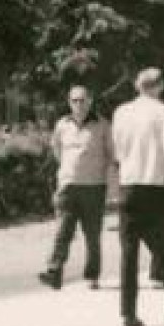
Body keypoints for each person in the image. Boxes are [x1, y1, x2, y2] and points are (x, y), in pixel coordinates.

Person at [110, 67, 164, 326]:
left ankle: (128, 312)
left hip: (129, 185)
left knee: (129, 251)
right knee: (163, 247)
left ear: (138, 86)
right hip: (156, 186)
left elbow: (117, 150)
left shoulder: (122, 112)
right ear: (159, 86)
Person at [39, 84, 112, 292]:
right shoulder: (62, 124)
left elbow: (111, 154)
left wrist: (104, 179)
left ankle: (92, 275)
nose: (78, 104)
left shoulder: (102, 125)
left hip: (93, 186)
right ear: (69, 102)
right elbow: (57, 151)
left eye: (82, 100)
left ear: (90, 101)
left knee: (92, 234)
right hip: (68, 185)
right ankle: (54, 272)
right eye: (74, 100)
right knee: (62, 231)